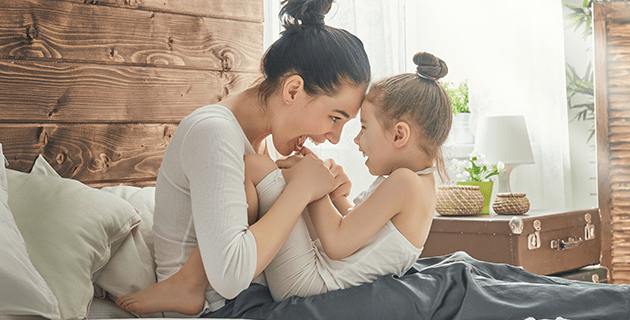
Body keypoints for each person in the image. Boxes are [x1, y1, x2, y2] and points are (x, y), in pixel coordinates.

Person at [116, 50, 452, 311]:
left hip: (309, 282)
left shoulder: (404, 183)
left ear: (400, 135)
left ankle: (190, 280)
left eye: (362, 127)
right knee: (267, 171)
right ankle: (191, 278)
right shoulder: (417, 184)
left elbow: (336, 243)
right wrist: (338, 198)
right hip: (319, 275)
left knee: (255, 167)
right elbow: (364, 239)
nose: (352, 140)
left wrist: (315, 191)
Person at [114, 0, 371, 316]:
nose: (333, 138)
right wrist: (301, 190)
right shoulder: (214, 133)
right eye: (335, 118)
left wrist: (327, 197)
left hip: (259, 300)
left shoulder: (262, 144)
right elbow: (231, 274)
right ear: (293, 91)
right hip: (218, 308)